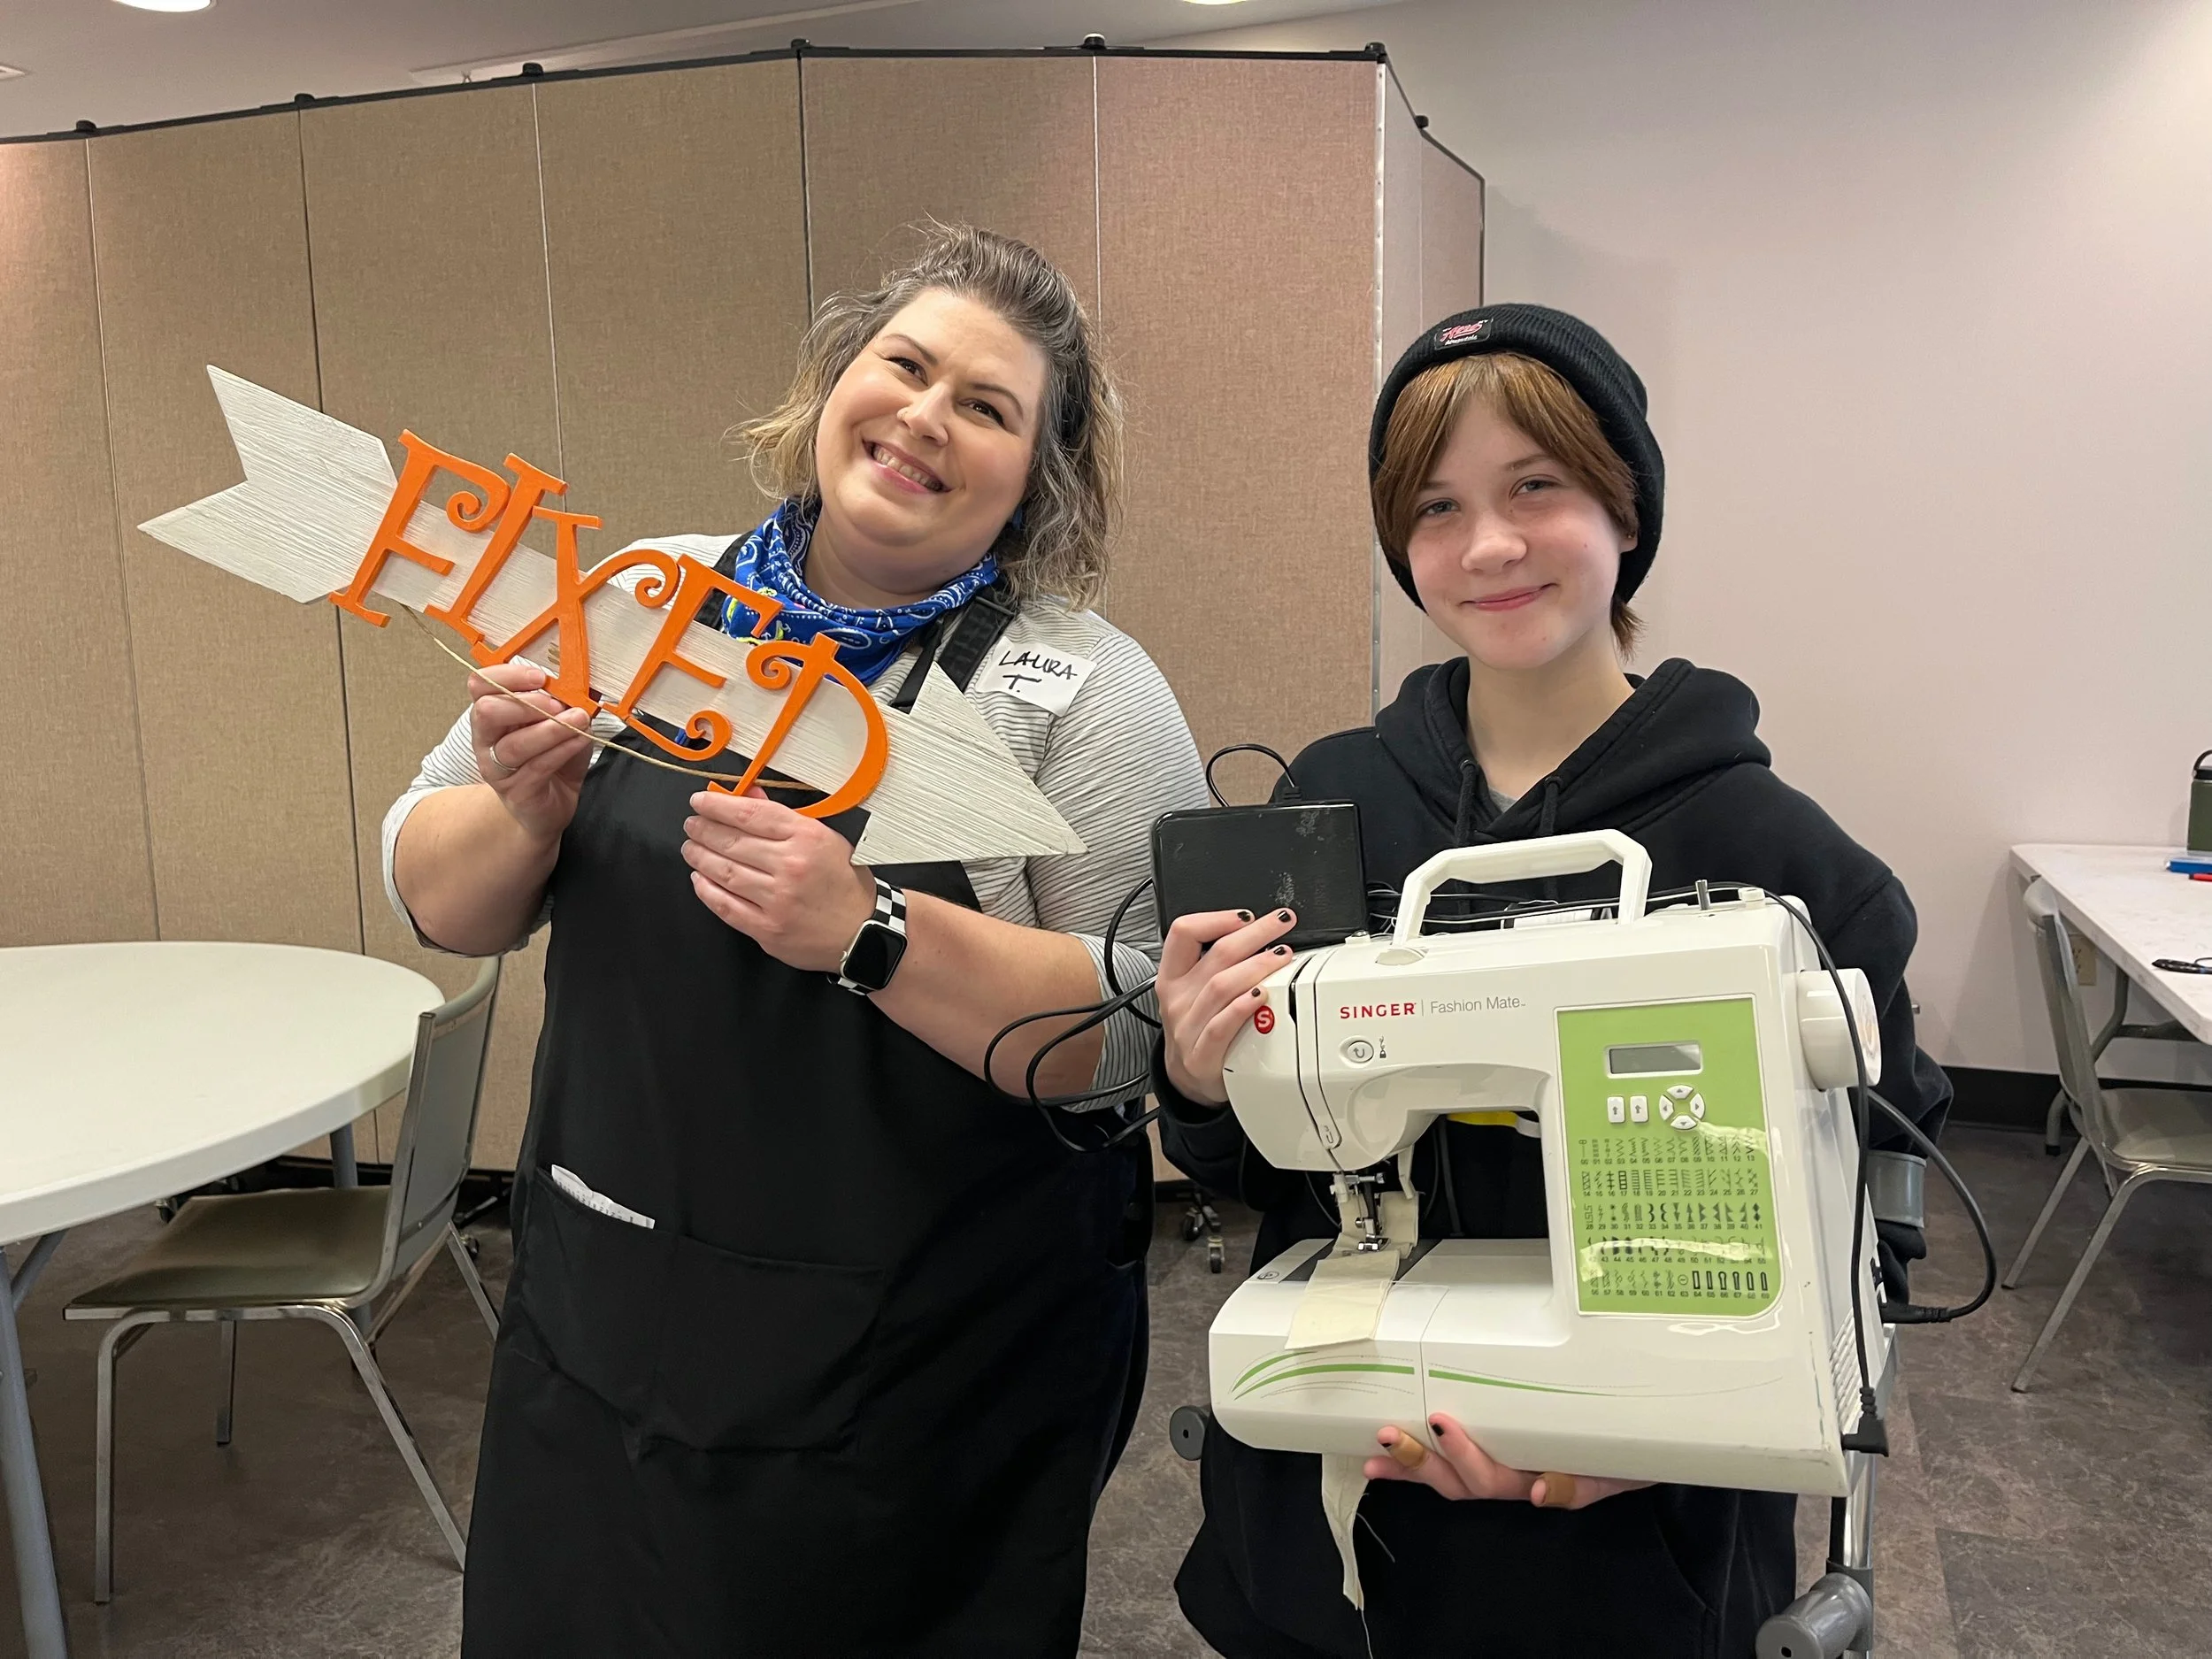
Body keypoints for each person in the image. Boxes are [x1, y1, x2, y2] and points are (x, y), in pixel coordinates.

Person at [382, 225, 1207, 1656]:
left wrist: (871, 931)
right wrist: (519, 814)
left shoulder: (1078, 694)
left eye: (989, 407)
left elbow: (1134, 1029)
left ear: (1037, 477)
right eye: (905, 365)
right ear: (837, 380)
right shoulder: (649, 599)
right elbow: (429, 885)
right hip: (605, 1309)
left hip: (915, 1376)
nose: (925, 417)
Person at [1153, 303, 1951, 1659]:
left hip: (1635, 1549)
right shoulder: (1331, 806)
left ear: (1626, 506)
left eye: (1538, 488)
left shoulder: (1776, 857)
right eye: (1437, 508)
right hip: (1327, 1531)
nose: (1491, 546)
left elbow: (1873, 1228)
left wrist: (1658, 1433)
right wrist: (1194, 1063)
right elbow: (1254, 1157)